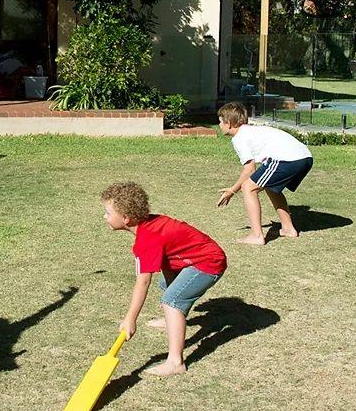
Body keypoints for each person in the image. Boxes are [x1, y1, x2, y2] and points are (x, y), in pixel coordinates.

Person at [101, 182, 226, 376]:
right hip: (195, 258)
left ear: (125, 218)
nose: (105, 217)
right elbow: (167, 260)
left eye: (108, 213)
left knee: (172, 300)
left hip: (209, 262)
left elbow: (142, 282)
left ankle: (176, 362)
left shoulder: (147, 239)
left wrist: (130, 318)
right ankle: (172, 320)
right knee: (168, 287)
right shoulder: (148, 226)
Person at [215, 102, 314, 245]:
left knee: (248, 187)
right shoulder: (250, 131)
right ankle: (288, 228)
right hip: (304, 157)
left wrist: (232, 190)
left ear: (228, 123)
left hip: (288, 159)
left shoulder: (239, 137)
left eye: (220, 121)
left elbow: (249, 170)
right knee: (269, 185)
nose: (219, 125)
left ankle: (257, 236)